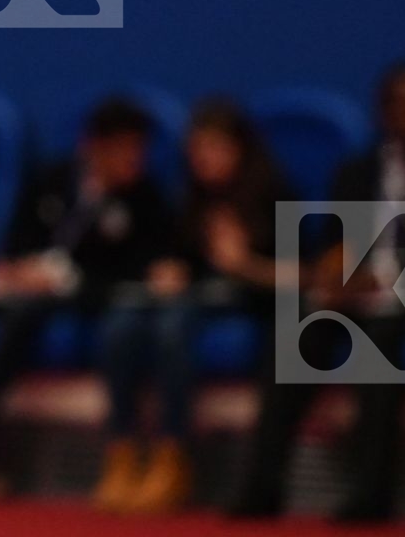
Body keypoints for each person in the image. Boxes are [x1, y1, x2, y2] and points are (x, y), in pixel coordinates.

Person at [229, 61, 405, 523]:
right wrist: (336, 278)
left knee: (380, 337)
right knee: (300, 328)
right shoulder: (356, 173)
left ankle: (372, 494)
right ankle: (264, 484)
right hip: (361, 297)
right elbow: (337, 246)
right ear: (382, 113)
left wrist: (393, 280)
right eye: (398, 104)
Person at [0, 97, 175, 503]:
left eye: (139, 149)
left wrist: (60, 279)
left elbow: (134, 275)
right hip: (16, 286)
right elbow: (14, 240)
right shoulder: (52, 179)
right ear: (92, 146)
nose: (133, 158)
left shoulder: (146, 200)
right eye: (122, 148)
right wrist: (13, 268)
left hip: (67, 298)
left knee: (21, 315)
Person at [95, 98, 286, 514]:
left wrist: (242, 264)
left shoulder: (275, 194)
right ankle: (122, 452)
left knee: (172, 325)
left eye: (216, 149)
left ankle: (173, 454)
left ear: (241, 150)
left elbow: (297, 281)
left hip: (251, 303)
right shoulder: (190, 198)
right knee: (122, 321)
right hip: (196, 299)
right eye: (198, 151)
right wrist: (172, 270)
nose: (205, 160)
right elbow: (179, 258)